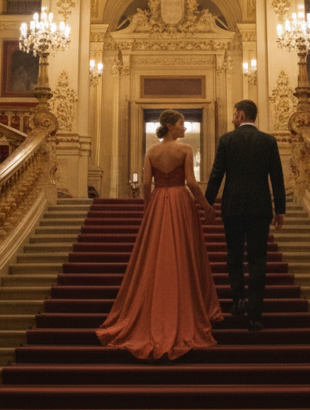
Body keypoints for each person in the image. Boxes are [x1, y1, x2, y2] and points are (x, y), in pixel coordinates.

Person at [97, 110, 223, 360]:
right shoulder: (185, 150)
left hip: (158, 202)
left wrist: (148, 207)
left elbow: (146, 184)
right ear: (169, 125)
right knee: (183, 252)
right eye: (181, 124)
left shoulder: (151, 152)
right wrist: (207, 208)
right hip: (179, 202)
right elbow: (192, 183)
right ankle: (186, 307)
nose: (184, 129)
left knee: (155, 255)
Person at [205, 99, 285, 332]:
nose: (232, 116)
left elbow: (216, 174)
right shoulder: (268, 141)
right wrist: (280, 209)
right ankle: (255, 315)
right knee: (258, 259)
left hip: (233, 207)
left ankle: (238, 299)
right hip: (260, 208)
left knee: (234, 254)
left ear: (240, 114)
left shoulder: (227, 140)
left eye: (233, 112)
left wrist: (207, 204)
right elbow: (277, 177)